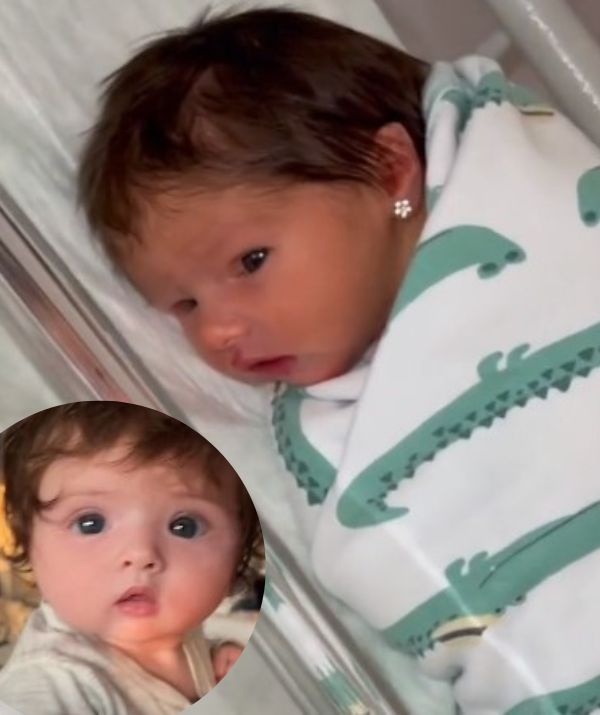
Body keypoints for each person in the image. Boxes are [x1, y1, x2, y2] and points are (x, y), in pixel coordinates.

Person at [76, 7, 600, 714]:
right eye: (185, 305)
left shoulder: (532, 201)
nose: (219, 330)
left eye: (250, 261)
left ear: (389, 171)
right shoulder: (334, 428)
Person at [0, 402, 262, 714]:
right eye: (90, 523)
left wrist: (217, 661)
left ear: (238, 557)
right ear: (28, 542)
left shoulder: (178, 625)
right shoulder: (50, 686)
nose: (140, 555)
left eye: (185, 527)